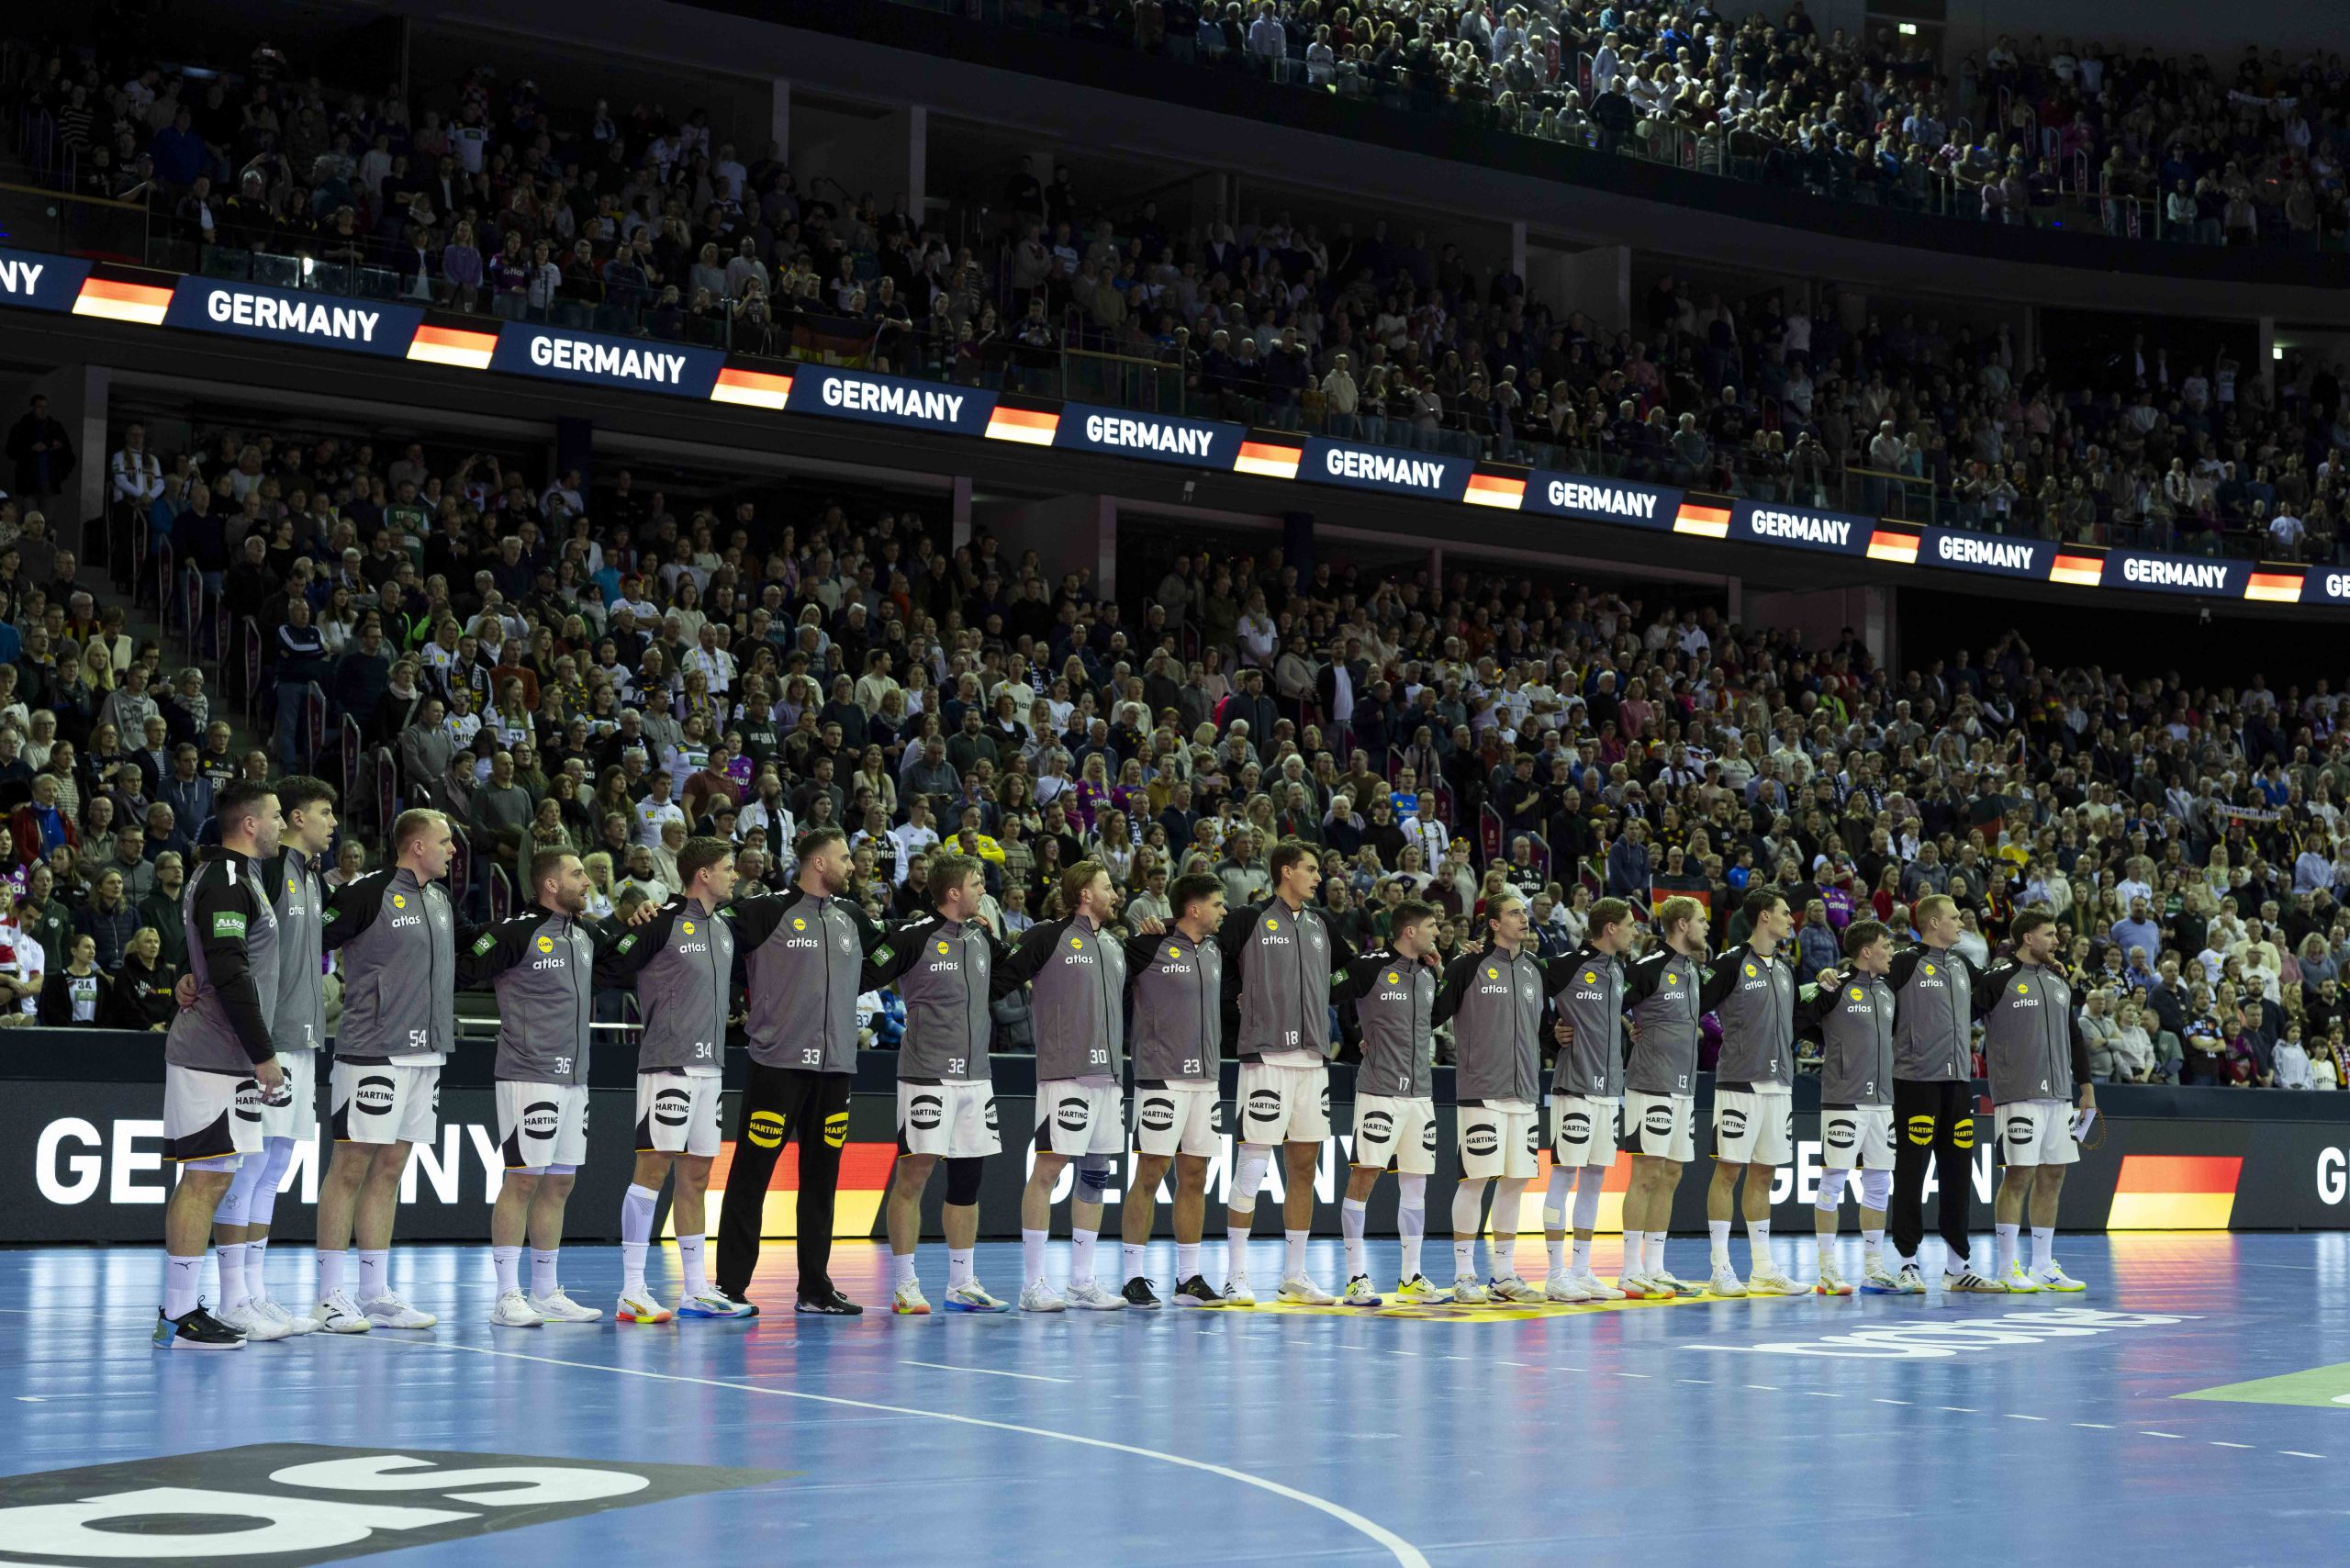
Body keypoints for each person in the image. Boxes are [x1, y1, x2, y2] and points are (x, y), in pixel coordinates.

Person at [719, 824, 890, 1314]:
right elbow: (707, 931)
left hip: (837, 1069)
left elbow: (888, 957)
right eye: (844, 857)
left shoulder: (852, 917)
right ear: (819, 863)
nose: (852, 866)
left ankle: (814, 1288)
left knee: (823, 1178)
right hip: (778, 1065)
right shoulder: (767, 910)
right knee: (752, 1176)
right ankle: (730, 1288)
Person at [313, 808, 470, 1332]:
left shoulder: (441, 900)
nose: (453, 850)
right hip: (373, 1049)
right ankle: (329, 1295)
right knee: (351, 1169)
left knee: (390, 1171)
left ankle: (375, 1292)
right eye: (446, 841)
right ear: (417, 845)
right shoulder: (369, 891)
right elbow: (309, 939)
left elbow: (476, 951)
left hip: (428, 1053)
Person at [153, 779, 288, 1350]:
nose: (283, 824)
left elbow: (211, 956)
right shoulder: (227, 877)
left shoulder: (241, 877)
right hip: (214, 1053)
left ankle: (184, 1309)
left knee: (217, 1176)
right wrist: (265, 1054)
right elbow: (230, 970)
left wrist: (188, 974)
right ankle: (177, 1315)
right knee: (204, 1177)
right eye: (277, 815)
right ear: (250, 824)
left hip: (226, 1054)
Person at [597, 835, 753, 1320]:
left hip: (712, 1066)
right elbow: (606, 961)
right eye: (728, 867)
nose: (735, 874)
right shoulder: (659, 922)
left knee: (699, 1174)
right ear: (702, 874)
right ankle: (632, 1289)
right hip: (668, 1061)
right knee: (653, 1170)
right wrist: (626, 918)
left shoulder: (726, 927)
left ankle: (696, 1288)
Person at [457, 848, 606, 1326]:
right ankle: (506, 1296)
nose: (587, 881)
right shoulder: (517, 931)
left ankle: (545, 1292)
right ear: (549, 884)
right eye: (577, 873)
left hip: (575, 1077)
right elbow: (462, 967)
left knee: (560, 1182)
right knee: (523, 1179)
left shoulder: (583, 934)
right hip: (528, 1073)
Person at [865, 851, 1015, 1313]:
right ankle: (906, 1284)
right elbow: (864, 973)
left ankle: (962, 1283)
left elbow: (1016, 973)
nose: (983, 890)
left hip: (977, 1078)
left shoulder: (981, 938)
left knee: (967, 1182)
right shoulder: (913, 937)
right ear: (953, 893)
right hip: (927, 1074)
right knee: (913, 1176)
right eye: (976, 883)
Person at [217, 776, 335, 1334]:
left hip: (304, 1037)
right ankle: (231, 1297)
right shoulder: (264, 871)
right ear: (293, 819)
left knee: (277, 1165)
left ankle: (256, 1293)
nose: (333, 822)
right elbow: (228, 942)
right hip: (266, 1040)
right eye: (324, 812)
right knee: (249, 1165)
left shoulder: (312, 878)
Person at [1217, 837, 1357, 1304]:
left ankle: (1293, 1275)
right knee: (1253, 1165)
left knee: (1304, 1167)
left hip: (1313, 1059)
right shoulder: (1249, 919)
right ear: (1285, 872)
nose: (1320, 878)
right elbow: (1212, 962)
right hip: (1266, 1056)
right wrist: (1242, 999)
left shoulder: (1321, 924)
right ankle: (1236, 1273)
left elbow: (1349, 973)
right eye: (1312, 870)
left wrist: (1324, 992)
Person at [997, 860, 1134, 1312]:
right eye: (1108, 886)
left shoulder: (1114, 946)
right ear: (1084, 894)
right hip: (1065, 1072)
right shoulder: (1047, 936)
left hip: (1110, 1078)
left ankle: (1082, 1281)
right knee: (1049, 1172)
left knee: (1096, 1175)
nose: (1116, 894)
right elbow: (998, 978)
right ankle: (1032, 1284)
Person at [1433, 890, 1549, 1304]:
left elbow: (1548, 1028)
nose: (1524, 918)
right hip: (1481, 1089)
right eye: (1515, 913)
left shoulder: (1537, 968)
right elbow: (1430, 1014)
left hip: (1525, 1091)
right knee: (1476, 1179)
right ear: (1494, 923)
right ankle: (1465, 1275)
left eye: (1525, 912)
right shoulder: (1467, 966)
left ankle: (1503, 1275)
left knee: (1515, 1182)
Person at [1119, 871, 1227, 1306]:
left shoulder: (1216, 950)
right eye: (1218, 904)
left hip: (1207, 1079)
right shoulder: (1147, 946)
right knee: (1150, 1174)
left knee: (1195, 1177)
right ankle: (1132, 1276)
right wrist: (1159, 923)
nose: (1225, 911)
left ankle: (1188, 1278)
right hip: (1161, 1074)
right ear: (1195, 908)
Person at [1331, 897, 1446, 1305]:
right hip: (1379, 1089)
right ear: (1410, 931)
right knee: (1364, 1178)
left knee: (1416, 1185)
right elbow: (1324, 991)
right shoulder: (1370, 966)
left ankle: (1411, 1277)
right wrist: (1356, 1040)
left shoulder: (1430, 974)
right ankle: (1355, 1278)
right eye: (1433, 926)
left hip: (1421, 1094)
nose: (1439, 933)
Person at [1886, 892, 1998, 1293]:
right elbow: (1864, 987)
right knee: (1911, 1172)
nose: (1961, 924)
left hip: (1958, 1083)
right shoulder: (1903, 963)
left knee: (1957, 1172)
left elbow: (1996, 991)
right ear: (1933, 923)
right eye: (1954, 918)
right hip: (1914, 1081)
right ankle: (1906, 1262)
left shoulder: (1964, 965)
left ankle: (1957, 1267)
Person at [1696, 887, 1801, 1296]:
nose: (1791, 919)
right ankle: (1720, 1268)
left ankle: (1763, 1269)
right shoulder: (1729, 962)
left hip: (1781, 1084)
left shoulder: (1785, 969)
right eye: (1785, 912)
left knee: (1764, 1174)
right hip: (1739, 1082)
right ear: (1763, 917)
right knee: (1728, 1172)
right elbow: (1693, 1002)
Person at [1983, 909, 2094, 1294]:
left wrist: (2087, 1090)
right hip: (2018, 1094)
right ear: (2027, 938)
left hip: (2061, 1095)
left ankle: (2043, 1266)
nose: (2056, 941)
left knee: (2054, 1174)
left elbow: (2074, 1038)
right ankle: (2005, 1267)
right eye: (2049, 934)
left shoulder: (2059, 981)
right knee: (2018, 1175)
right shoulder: (1997, 979)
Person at [1539, 894, 1639, 1302]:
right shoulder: (1566, 965)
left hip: (1609, 1090)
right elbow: (1521, 994)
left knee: (1595, 1179)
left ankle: (1581, 1270)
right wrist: (1550, 1034)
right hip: (1574, 1086)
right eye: (1631, 924)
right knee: (1564, 1175)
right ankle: (1554, 1273)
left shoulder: (1618, 969)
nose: (1636, 931)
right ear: (1610, 928)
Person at [1616, 894, 1709, 1297]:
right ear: (1683, 925)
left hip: (1684, 1086)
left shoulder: (1692, 968)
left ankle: (1655, 1266)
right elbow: (1605, 1003)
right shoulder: (1648, 967)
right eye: (1702, 920)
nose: (1707, 926)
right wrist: (1627, 1026)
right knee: (1647, 1173)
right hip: (1650, 1082)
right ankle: (1629, 1270)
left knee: (1672, 1174)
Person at [1803, 920, 1900, 1295]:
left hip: (1883, 1101)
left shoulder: (1889, 992)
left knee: (1878, 1182)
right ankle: (1827, 1270)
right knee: (1833, 1181)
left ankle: (1874, 1269)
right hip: (1844, 1097)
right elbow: (1799, 1013)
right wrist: (1819, 981)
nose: (1891, 952)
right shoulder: (1835, 987)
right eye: (1886, 946)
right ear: (1866, 952)